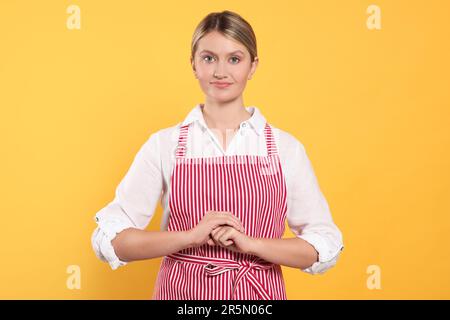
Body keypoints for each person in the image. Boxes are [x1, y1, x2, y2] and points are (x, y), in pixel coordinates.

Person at [91, 10, 344, 300]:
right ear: (194, 64)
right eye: (209, 58)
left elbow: (324, 244)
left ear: (253, 66)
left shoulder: (286, 149)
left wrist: (252, 244)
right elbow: (111, 239)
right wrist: (189, 237)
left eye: (234, 59)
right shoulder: (165, 145)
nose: (220, 72)